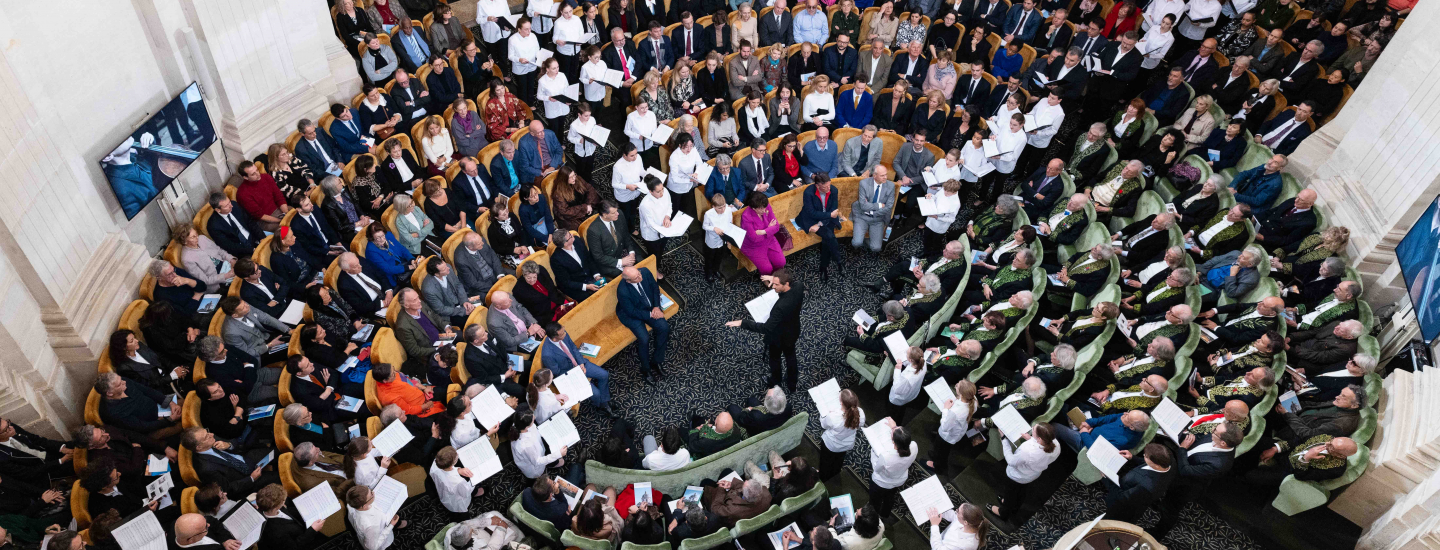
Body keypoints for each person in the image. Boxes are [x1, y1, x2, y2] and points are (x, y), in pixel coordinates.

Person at [726, 269, 805, 392]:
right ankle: (792, 384)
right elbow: (793, 282)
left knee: (775, 358)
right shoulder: (798, 286)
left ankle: (775, 381)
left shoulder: (781, 307)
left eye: (776, 284)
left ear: (787, 284)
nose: (773, 287)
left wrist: (743, 323)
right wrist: (774, 278)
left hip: (778, 337)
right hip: (793, 331)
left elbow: (766, 328)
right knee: (791, 356)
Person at [617, 266, 671, 385]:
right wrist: (651, 314)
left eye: (639, 274)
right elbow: (631, 311)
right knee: (644, 338)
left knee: (664, 328)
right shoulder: (622, 290)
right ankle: (646, 370)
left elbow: (654, 288)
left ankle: (656, 361)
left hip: (649, 307)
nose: (640, 277)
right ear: (628, 281)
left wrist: (656, 307)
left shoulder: (645, 272)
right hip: (631, 314)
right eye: (636, 277)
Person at [1105, 443, 1176, 522]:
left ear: (1156, 464)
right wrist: (1132, 458)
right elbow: (1149, 464)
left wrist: (1107, 478)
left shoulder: (1146, 487)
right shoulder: (1169, 460)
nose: (1144, 456)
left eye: (1145, 456)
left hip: (1123, 508)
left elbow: (1122, 498)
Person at [797, 174, 847, 281]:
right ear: (817, 186)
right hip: (812, 219)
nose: (829, 189)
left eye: (829, 185)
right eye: (826, 187)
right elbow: (811, 213)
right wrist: (824, 218)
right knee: (829, 235)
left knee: (827, 238)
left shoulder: (833, 190)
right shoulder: (808, 192)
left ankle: (823, 267)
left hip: (827, 219)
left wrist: (820, 224)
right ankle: (839, 262)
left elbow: (833, 210)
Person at [867, 419, 916, 517]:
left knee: (875, 501)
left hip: (881, 482)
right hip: (899, 480)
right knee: (889, 497)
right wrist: (894, 427)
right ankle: (885, 514)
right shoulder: (914, 446)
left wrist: (874, 452)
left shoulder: (886, 456)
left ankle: (874, 515)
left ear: (893, 441)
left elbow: (876, 469)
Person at [256, 483, 326, 548]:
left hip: (300, 528)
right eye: (283, 500)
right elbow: (295, 546)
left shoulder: (268, 507)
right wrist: (313, 530)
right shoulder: (277, 533)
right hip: (305, 541)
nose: (284, 501)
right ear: (277, 507)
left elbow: (288, 512)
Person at [851, 164, 896, 254]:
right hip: (862, 216)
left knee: (876, 248)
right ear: (874, 176)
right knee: (856, 243)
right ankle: (862, 239)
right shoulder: (864, 183)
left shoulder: (891, 186)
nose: (885, 177)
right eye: (882, 175)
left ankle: (867, 239)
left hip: (878, 219)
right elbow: (863, 206)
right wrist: (879, 205)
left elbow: (888, 207)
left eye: (886, 174)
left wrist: (872, 212)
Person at [347, 484, 407, 550]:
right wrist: (391, 525)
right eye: (371, 495)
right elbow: (372, 547)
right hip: (380, 538)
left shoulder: (352, 505)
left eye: (371, 491)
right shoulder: (370, 525)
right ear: (364, 506)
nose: (374, 493)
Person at [728, 386, 795, 434]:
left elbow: (742, 420)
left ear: (766, 404)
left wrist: (747, 409)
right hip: (774, 424)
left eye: (766, 395)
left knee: (732, 407)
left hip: (754, 432)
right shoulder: (788, 407)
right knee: (752, 400)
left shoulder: (756, 416)